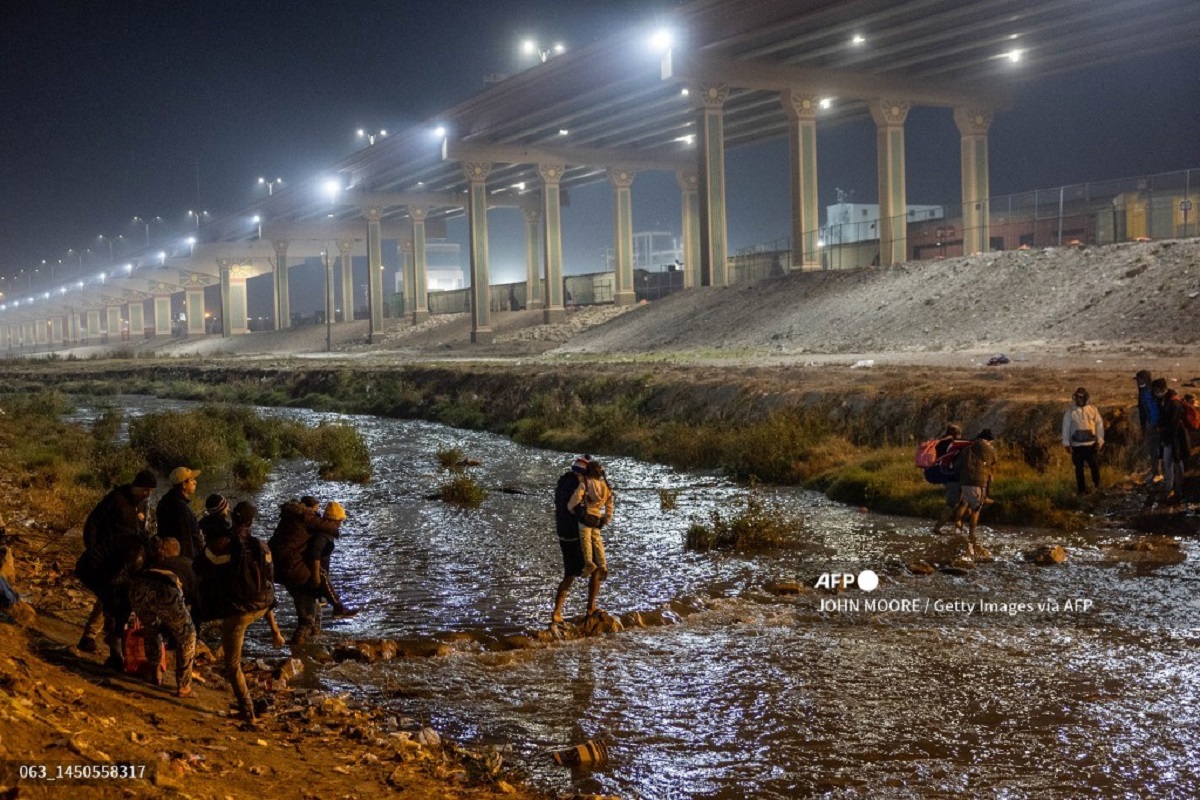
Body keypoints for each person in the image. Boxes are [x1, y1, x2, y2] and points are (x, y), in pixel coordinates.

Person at [194, 501, 283, 723]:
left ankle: (247, 709)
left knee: (232, 665)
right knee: (258, 602)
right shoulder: (263, 546)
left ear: (232, 518)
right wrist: (274, 629)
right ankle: (276, 633)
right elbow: (268, 584)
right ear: (251, 521)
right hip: (262, 607)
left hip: (239, 611)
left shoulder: (222, 545)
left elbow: (199, 568)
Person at [78, 468, 157, 653]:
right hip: (110, 556)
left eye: (150, 492)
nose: (147, 495)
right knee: (108, 595)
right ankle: (95, 636)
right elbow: (93, 522)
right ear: (136, 486)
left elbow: (140, 530)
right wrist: (93, 549)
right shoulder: (116, 499)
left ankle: (105, 637)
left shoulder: (141, 504)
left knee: (115, 597)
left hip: (129, 559)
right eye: (145, 490)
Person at [128, 537, 196, 696]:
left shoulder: (158, 563)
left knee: (152, 629)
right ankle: (184, 686)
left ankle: (155, 674)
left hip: (138, 587)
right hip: (166, 589)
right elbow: (193, 599)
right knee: (187, 636)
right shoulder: (189, 564)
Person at [552, 456, 600, 624]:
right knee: (597, 569)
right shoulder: (579, 487)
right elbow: (578, 511)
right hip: (577, 536)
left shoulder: (562, 483)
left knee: (570, 574)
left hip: (563, 535)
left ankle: (556, 613)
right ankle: (590, 608)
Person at [568, 459, 614, 585]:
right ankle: (603, 565)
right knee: (598, 542)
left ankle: (589, 562)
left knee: (585, 540)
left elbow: (576, 498)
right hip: (598, 517)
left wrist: (570, 508)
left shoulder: (585, 483)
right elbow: (610, 504)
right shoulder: (605, 486)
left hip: (586, 515)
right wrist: (607, 518)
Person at [953, 429, 998, 543]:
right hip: (979, 482)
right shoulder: (990, 450)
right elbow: (993, 462)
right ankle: (972, 535)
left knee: (963, 505)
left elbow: (959, 463)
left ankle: (957, 531)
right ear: (989, 440)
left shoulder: (967, 448)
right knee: (976, 510)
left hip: (964, 482)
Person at [1061, 386, 1105, 494]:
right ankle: (1081, 490)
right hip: (1077, 445)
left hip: (1091, 444)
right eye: (1077, 397)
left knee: (1094, 466)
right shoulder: (1070, 411)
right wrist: (1066, 444)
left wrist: (1100, 440)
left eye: (1081, 397)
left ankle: (1097, 486)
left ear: (1086, 398)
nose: (1079, 399)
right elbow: (1065, 427)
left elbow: (1099, 425)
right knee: (1079, 469)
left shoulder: (1093, 410)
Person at [1152, 378, 1189, 501]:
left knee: (1175, 463)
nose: (1155, 393)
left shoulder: (1173, 403)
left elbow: (1172, 424)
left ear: (1161, 389)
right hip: (1171, 438)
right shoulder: (1166, 400)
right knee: (1171, 463)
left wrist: (1166, 438)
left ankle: (1176, 490)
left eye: (1156, 390)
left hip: (1174, 438)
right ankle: (1174, 489)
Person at [156, 467, 203, 559]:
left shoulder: (164, 500)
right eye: (192, 480)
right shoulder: (181, 507)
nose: (195, 482)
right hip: (182, 557)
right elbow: (185, 539)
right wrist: (189, 562)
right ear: (183, 485)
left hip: (167, 553)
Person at [929, 424, 964, 534]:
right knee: (952, 504)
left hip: (942, 474)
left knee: (961, 502)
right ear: (957, 434)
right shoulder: (954, 444)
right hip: (951, 477)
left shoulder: (940, 443)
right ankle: (937, 528)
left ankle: (959, 527)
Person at [1135, 370, 1162, 481]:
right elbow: (1142, 411)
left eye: (1140, 379)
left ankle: (1159, 472)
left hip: (1159, 424)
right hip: (1151, 423)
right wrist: (1143, 427)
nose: (1138, 382)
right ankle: (1155, 471)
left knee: (1159, 448)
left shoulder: (1153, 390)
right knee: (1153, 448)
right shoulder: (1142, 392)